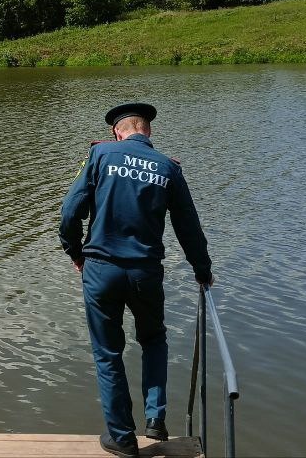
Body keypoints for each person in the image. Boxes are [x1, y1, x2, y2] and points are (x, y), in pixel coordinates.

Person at [59, 103, 214, 458]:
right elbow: (188, 225)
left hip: (101, 270)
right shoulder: (168, 167)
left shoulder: (99, 155)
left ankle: (122, 438)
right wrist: (201, 270)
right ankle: (156, 418)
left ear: (117, 131)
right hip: (146, 272)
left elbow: (70, 211)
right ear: (148, 132)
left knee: (108, 353)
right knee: (154, 339)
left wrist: (74, 252)